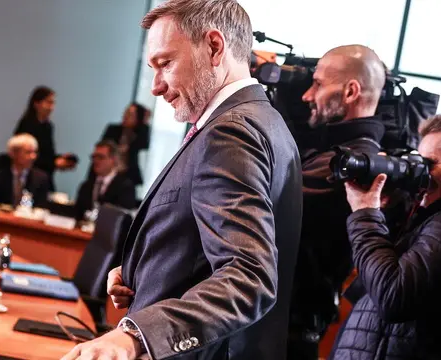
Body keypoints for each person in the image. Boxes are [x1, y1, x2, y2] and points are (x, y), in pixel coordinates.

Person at [61, 1, 302, 359]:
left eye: (165, 64)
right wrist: (143, 270)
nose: (156, 87)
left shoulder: (232, 133)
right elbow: (206, 246)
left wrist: (135, 336)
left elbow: (248, 276)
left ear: (215, 47)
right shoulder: (263, 122)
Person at [330, 113, 441, 360]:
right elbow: (369, 290)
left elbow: (392, 297)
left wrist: (365, 215)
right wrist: (387, 211)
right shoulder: (430, 217)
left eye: (431, 163)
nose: (422, 172)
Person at [287, 44, 387, 359]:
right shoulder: (333, 155)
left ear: (350, 92)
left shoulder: (351, 165)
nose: (306, 95)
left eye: (317, 84)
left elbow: (265, 201)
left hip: (287, 334)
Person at [13, 86, 77, 190]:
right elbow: (25, 156)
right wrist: (54, 163)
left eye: (53, 103)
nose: (52, 107)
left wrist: (60, 159)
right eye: (48, 102)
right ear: (36, 104)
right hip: (29, 178)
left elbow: (47, 153)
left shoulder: (48, 126)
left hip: (44, 177)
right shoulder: (27, 125)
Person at [74, 141, 136, 221]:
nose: (95, 161)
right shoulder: (86, 186)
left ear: (113, 159)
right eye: (94, 157)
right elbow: (77, 214)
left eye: (100, 157)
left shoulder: (125, 187)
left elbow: (123, 218)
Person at [0, 134, 50, 208]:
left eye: (35, 152)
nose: (33, 156)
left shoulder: (41, 178)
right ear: (14, 153)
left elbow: (40, 208)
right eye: (28, 152)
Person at [101, 103, 151, 186]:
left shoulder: (139, 133)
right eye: (126, 112)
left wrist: (145, 121)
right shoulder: (113, 129)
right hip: (108, 171)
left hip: (127, 175)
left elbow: (144, 145)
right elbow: (103, 147)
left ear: (138, 118)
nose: (125, 116)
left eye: (130, 114)